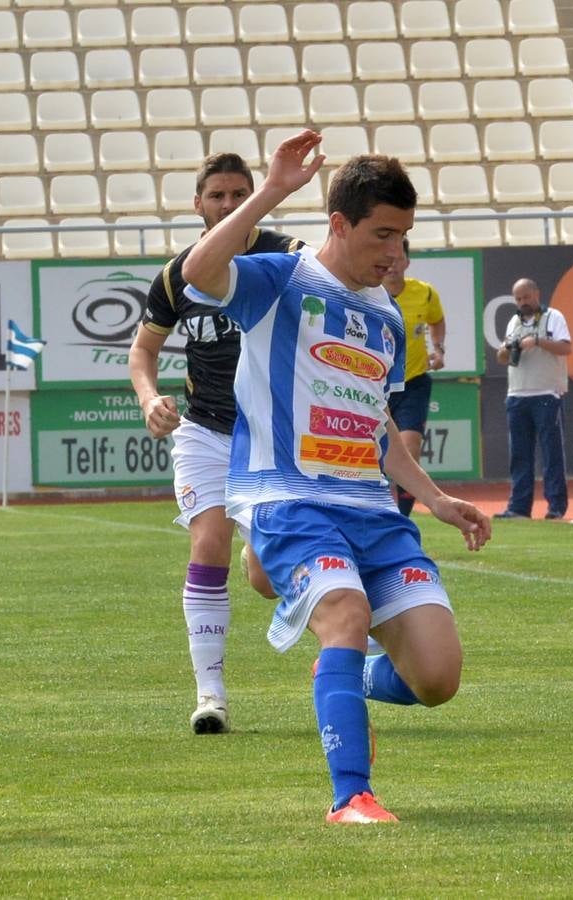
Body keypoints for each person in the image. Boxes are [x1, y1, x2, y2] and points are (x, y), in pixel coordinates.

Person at [181, 132, 490, 825]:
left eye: (404, 236)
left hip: (371, 510)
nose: (395, 253)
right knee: (344, 616)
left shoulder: (385, 317)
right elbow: (199, 272)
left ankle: (341, 689)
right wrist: (269, 191)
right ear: (338, 225)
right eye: (382, 234)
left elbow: (377, 425)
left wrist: (436, 499)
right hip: (287, 499)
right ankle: (351, 796)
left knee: (437, 677)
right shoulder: (280, 277)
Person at [128, 153, 301, 735]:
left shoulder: (289, 256)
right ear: (197, 204)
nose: (228, 205)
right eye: (217, 196)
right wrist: (149, 397)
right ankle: (211, 695)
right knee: (207, 545)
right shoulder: (179, 275)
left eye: (239, 194)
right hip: (204, 430)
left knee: (266, 576)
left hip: (274, 435)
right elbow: (142, 351)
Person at [495, 278, 571, 520]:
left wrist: (537, 341)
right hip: (517, 394)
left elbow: (566, 348)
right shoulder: (514, 321)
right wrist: (509, 347)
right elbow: (501, 357)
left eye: (526, 297)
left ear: (536, 294)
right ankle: (519, 506)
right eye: (518, 299)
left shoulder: (553, 317)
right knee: (519, 454)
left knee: (552, 453)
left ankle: (556, 506)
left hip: (547, 393)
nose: (523, 303)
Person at [381, 240, 446, 516]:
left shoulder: (425, 293)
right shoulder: (368, 294)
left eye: (399, 258)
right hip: (377, 385)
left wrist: (439, 349)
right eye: (388, 258)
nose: (393, 265)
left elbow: (437, 321)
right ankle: (381, 512)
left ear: (407, 262)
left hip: (414, 382)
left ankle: (403, 518)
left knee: (410, 447)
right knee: (378, 455)